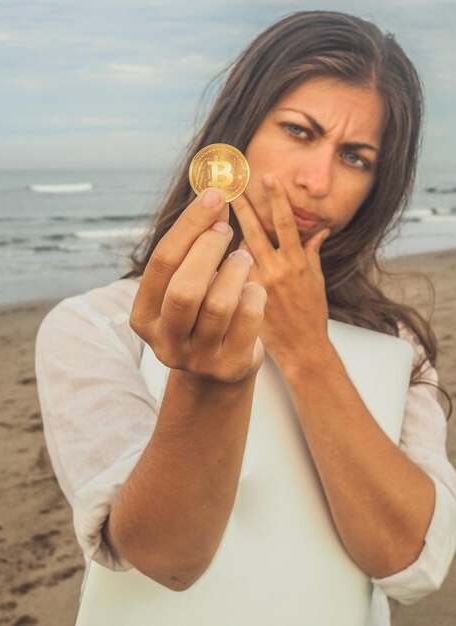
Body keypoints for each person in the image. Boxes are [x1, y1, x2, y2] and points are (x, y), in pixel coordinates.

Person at [35, 10, 456, 626]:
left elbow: (413, 563)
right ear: (235, 133)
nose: (317, 181)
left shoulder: (394, 345)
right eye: (299, 131)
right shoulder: (93, 325)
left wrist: (307, 348)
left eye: (357, 157)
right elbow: (163, 555)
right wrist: (211, 377)